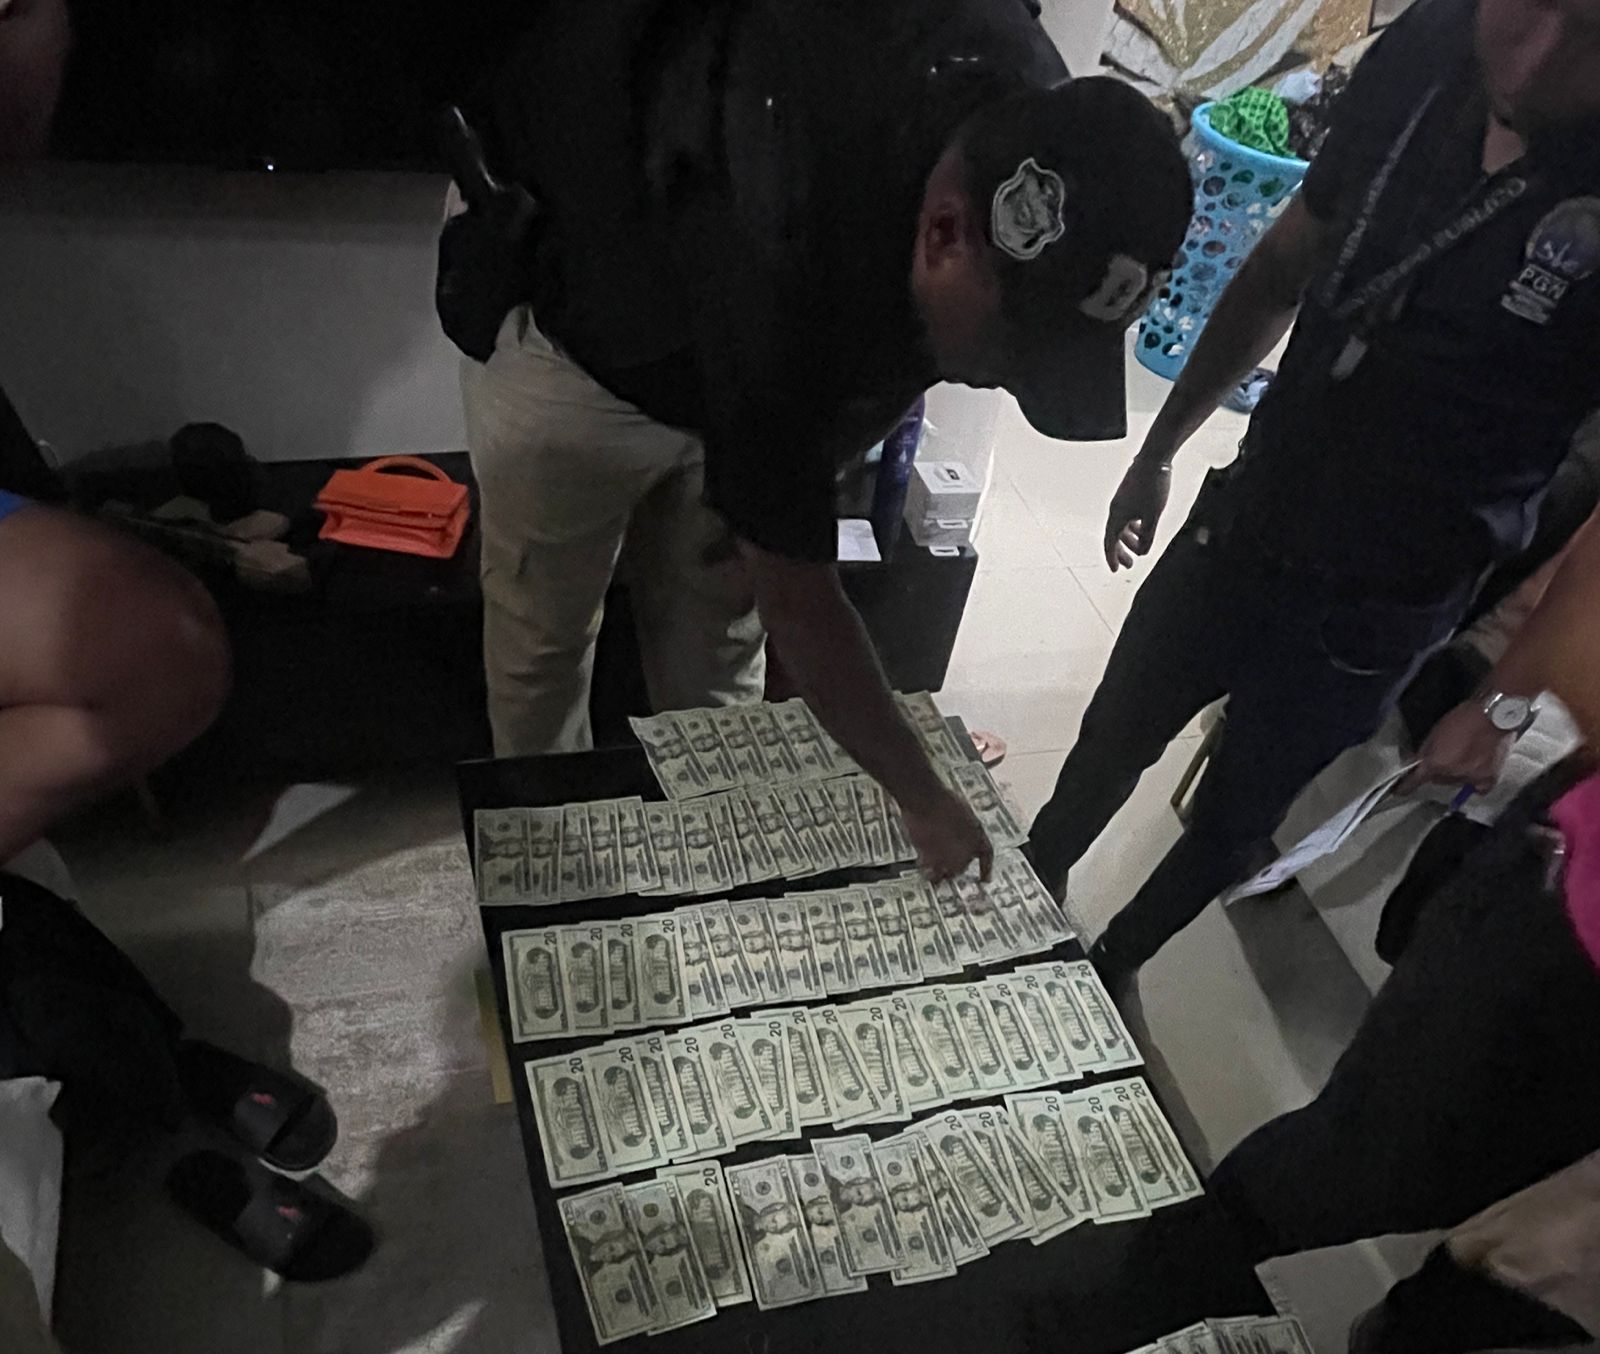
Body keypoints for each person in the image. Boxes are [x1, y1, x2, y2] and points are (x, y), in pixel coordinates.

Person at [448, 0, 1193, 881]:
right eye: (1006, 350)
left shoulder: (1038, 134)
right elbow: (800, 600)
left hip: (735, 337)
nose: (1002, 377)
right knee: (544, 643)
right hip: (577, 338)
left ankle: (712, 880)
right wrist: (925, 798)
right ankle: (549, 884)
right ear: (942, 232)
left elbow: (816, 460)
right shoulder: (787, 225)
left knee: (718, 647)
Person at [1027, 0, 1600, 978]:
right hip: (1255, 509)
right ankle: (1025, 897)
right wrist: (1160, 447)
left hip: (1386, 601)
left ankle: (1113, 963)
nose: (1538, 55)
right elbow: (1284, 261)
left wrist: (1504, 700)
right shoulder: (1426, 47)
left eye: (1590, 34)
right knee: (1112, 733)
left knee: (1233, 816)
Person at [1208, 503, 1600, 1353]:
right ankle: (1130, 1289)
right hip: (1568, 928)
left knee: (1509, 1263)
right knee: (1364, 1166)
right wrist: (1501, 704)